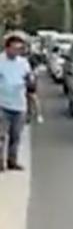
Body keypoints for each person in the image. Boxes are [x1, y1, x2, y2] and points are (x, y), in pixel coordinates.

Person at [0, 33, 32, 171]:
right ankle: (0, 162)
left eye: (19, 49)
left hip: (19, 105)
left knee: (16, 136)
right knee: (1, 136)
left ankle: (12, 161)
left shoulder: (23, 63)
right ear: (7, 48)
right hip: (2, 104)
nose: (16, 51)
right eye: (14, 48)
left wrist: (30, 81)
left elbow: (30, 81)